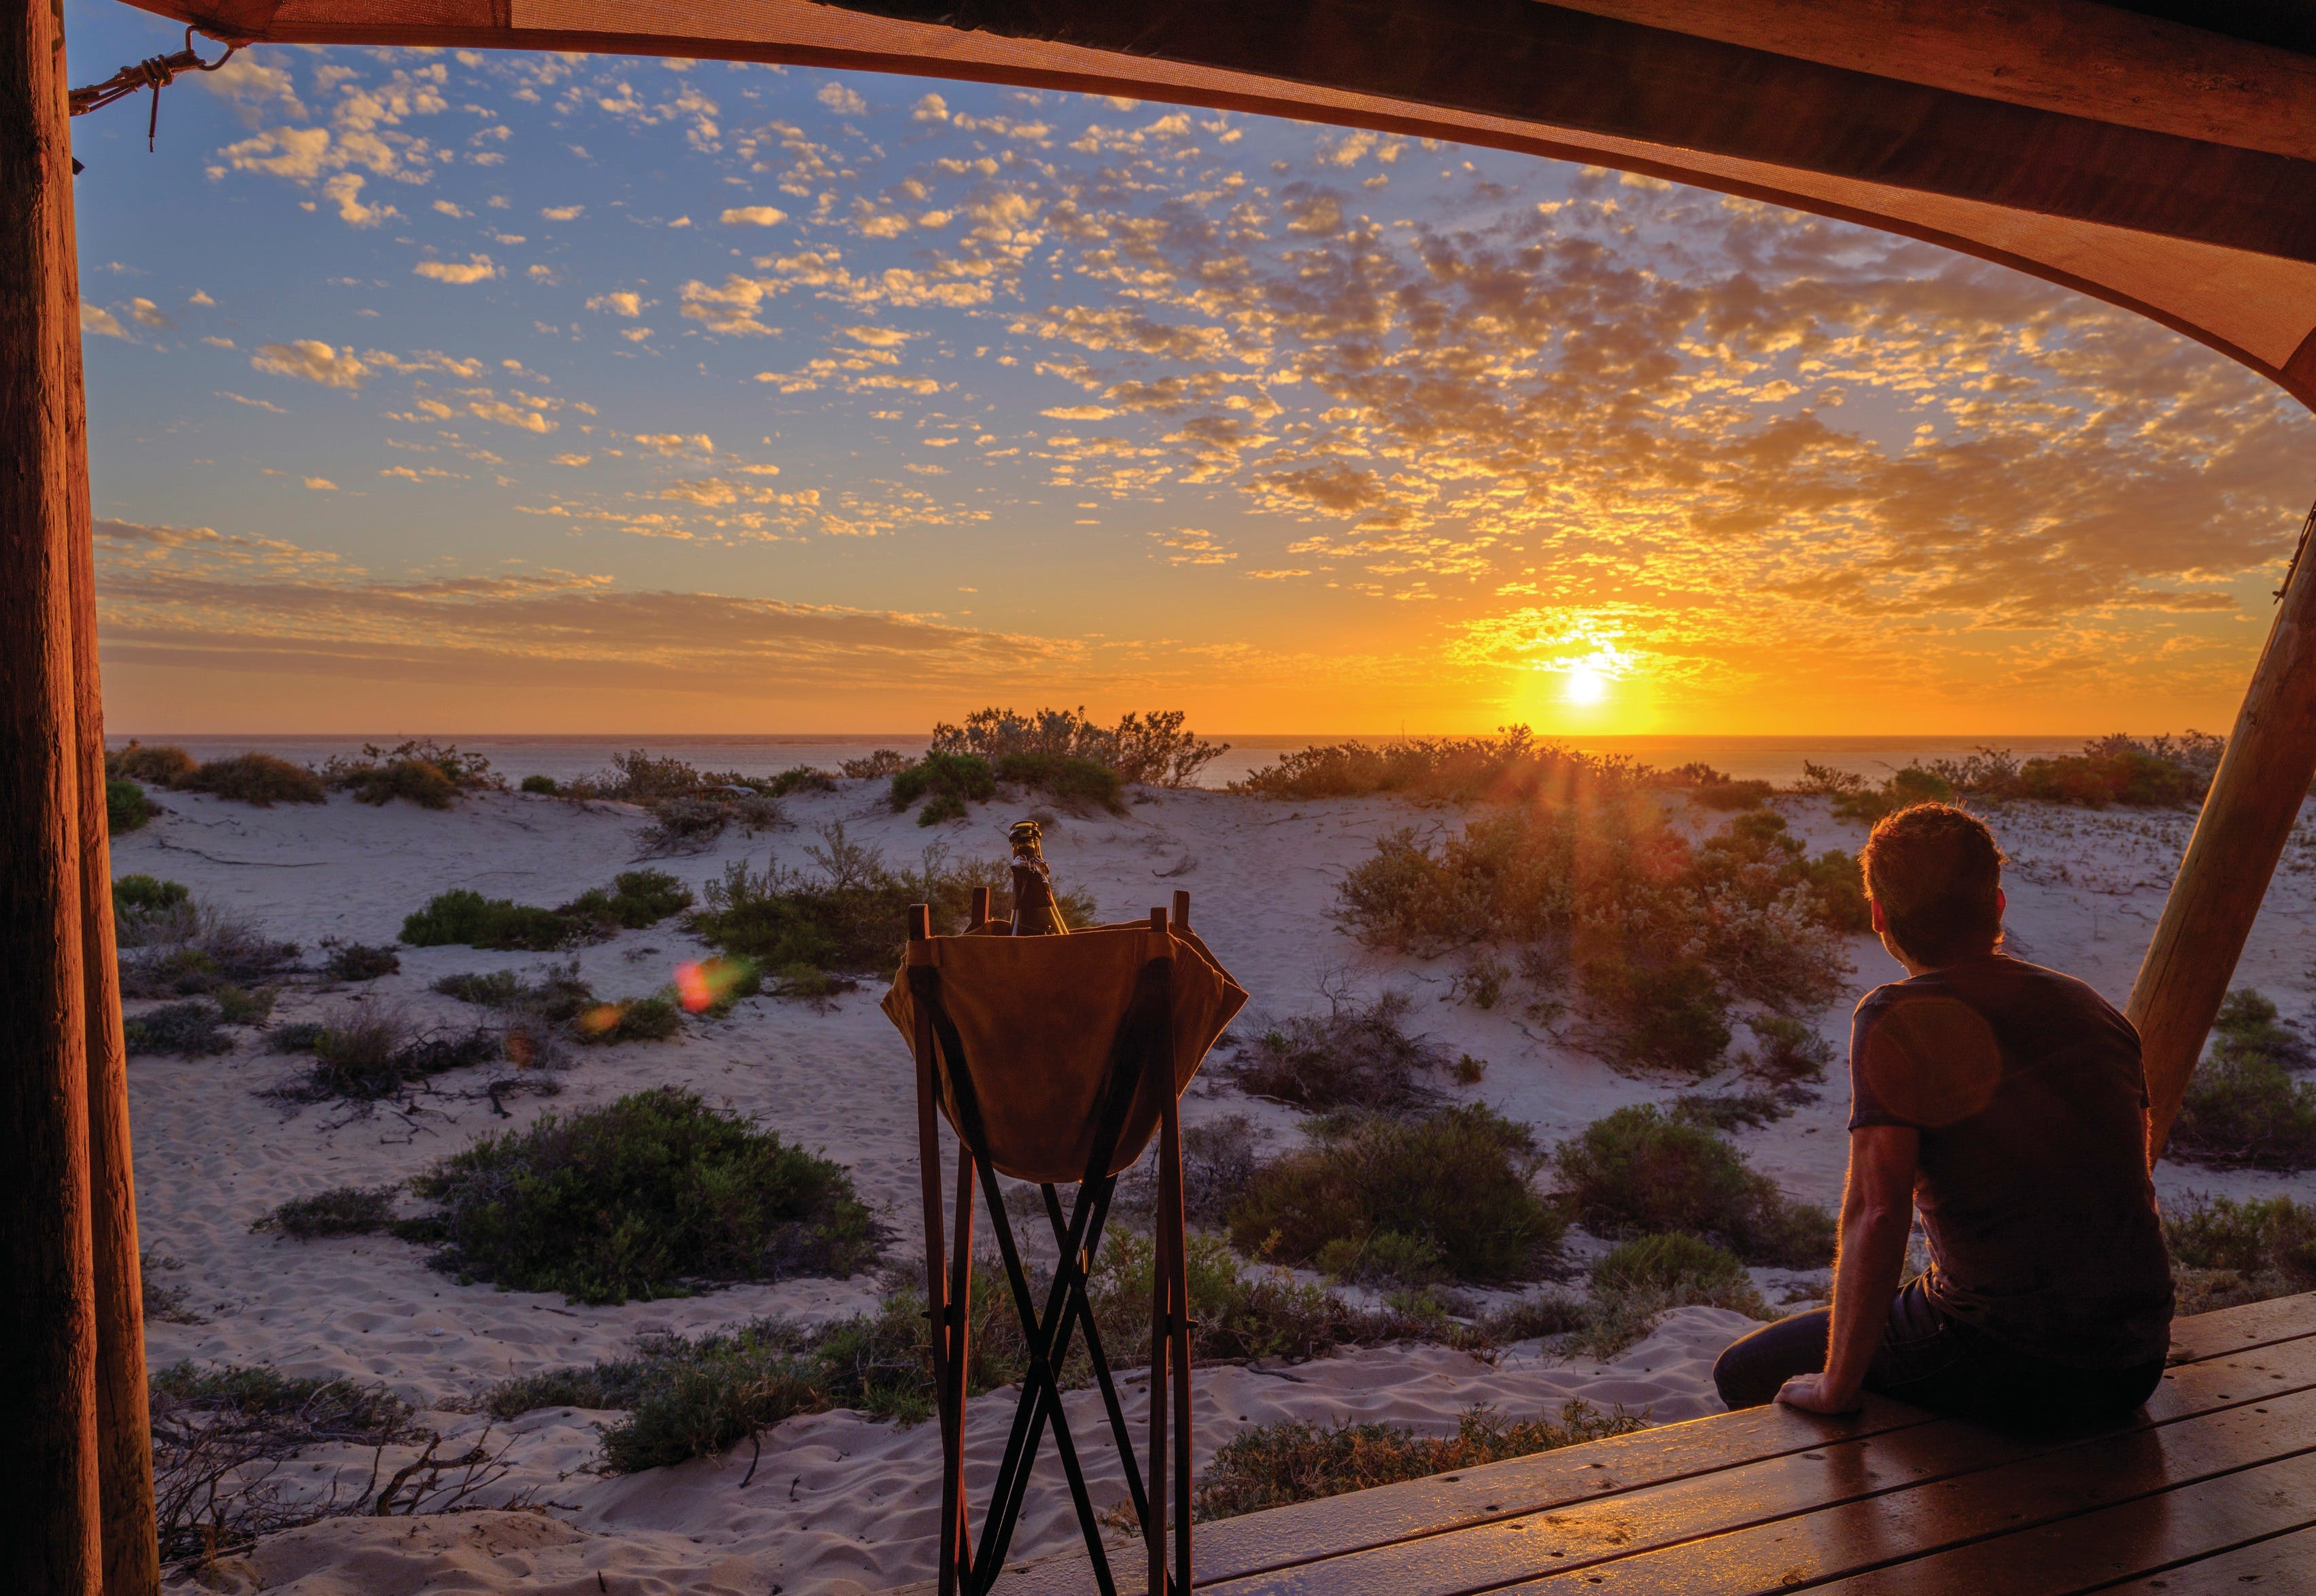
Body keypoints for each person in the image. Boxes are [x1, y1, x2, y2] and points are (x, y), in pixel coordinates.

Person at [1713, 803, 2173, 1425]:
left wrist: (1834, 1388)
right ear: (1997, 907)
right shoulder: (2091, 1007)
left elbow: (1876, 1213)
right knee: (1911, 1316)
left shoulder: (1894, 1015)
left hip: (2009, 1354)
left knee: (1743, 1371)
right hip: (2132, 1364)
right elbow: (2129, 1175)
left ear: (1878, 915)